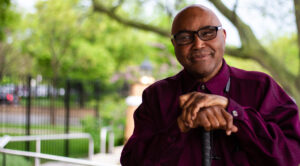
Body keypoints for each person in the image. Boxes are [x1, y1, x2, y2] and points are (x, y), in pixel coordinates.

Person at [120, 4, 300, 166]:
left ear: (224, 36)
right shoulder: (157, 95)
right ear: (174, 44)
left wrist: (235, 113)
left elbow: (291, 155)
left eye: (208, 33)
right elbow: (132, 162)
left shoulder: (261, 87)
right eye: (185, 37)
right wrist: (179, 127)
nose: (198, 44)